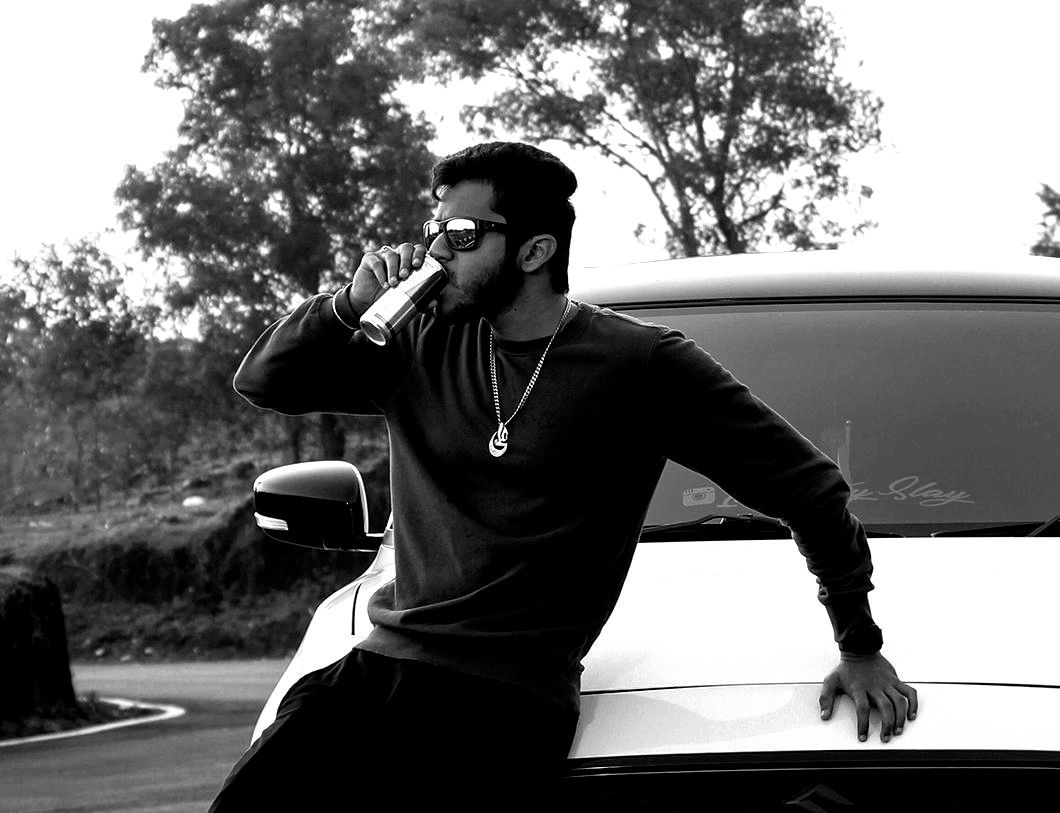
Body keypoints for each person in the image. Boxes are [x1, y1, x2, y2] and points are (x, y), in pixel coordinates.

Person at [209, 140, 917, 810]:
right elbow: (262, 379)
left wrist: (859, 642)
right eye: (434, 226)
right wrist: (345, 306)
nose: (432, 250)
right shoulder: (418, 341)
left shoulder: (638, 365)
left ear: (535, 249)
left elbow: (810, 487)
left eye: (459, 233)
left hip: (503, 704)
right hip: (374, 670)